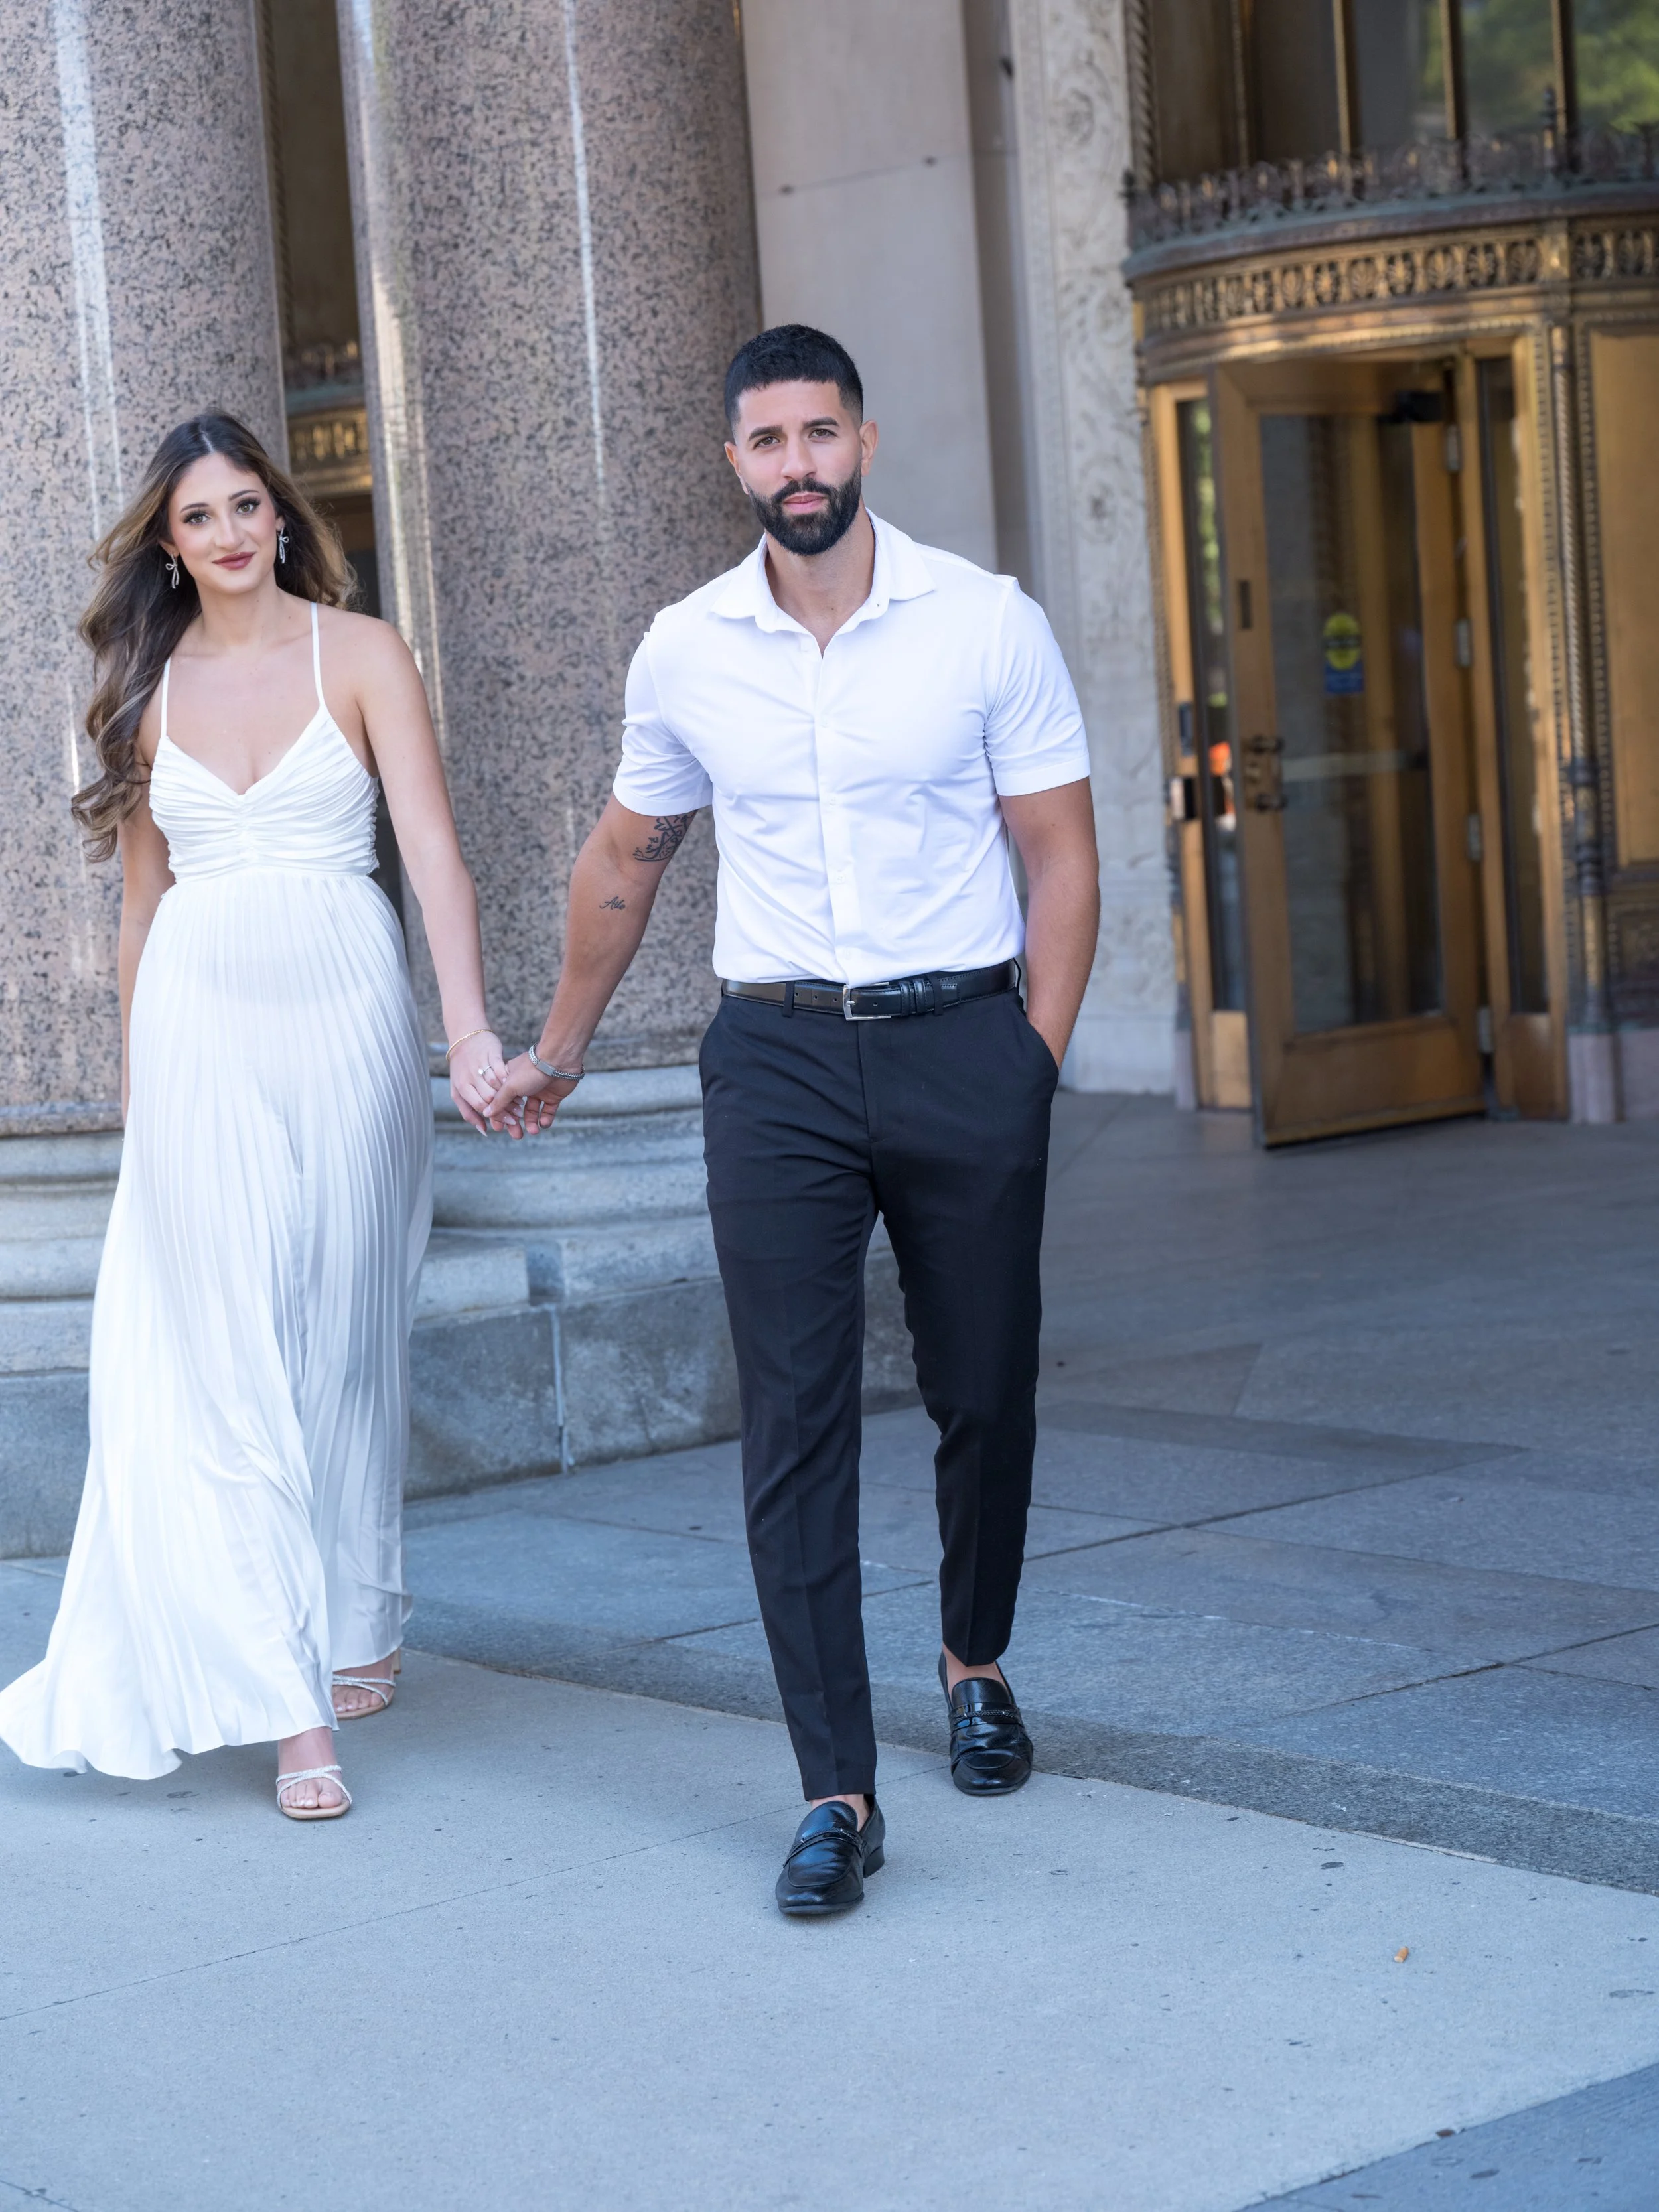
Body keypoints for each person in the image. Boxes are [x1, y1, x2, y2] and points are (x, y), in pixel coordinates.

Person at [486, 324, 1100, 1915]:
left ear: (864, 442)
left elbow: (1058, 853)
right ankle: (835, 1785)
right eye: (767, 441)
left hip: (962, 1039)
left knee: (984, 1385)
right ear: (735, 462)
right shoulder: (686, 648)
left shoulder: (982, 621)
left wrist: (1026, 1064)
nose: (797, 465)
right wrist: (558, 1048)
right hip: (776, 1062)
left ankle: (974, 1658)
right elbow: (625, 860)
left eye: (819, 434)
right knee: (794, 1422)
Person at [0, 415, 503, 1820]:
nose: (225, 533)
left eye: (243, 505)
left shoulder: (364, 652)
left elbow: (434, 854)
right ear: (168, 545)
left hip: (346, 1012)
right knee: (224, 1359)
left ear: (281, 514)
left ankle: (359, 1608)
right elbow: (140, 909)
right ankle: (290, 1707)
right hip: (199, 1031)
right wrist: (138, 1101)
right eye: (196, 516)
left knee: (342, 1335)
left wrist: (468, 1031)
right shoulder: (144, 689)